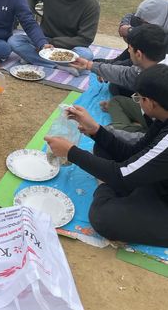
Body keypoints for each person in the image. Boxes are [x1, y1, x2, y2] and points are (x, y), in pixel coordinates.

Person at [45, 64, 168, 247]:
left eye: (138, 98)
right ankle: (113, 184)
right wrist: (96, 130)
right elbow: (134, 152)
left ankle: (107, 185)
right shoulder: (162, 119)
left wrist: (71, 152)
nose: (138, 102)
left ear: (150, 102)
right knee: (103, 149)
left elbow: (121, 175)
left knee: (103, 217)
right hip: (156, 179)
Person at [9, 0, 99, 75]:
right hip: (43, 39)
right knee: (14, 41)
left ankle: (34, 59)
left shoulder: (91, 5)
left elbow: (85, 39)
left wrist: (53, 44)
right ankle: (58, 66)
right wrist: (30, 15)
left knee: (86, 54)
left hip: (69, 46)